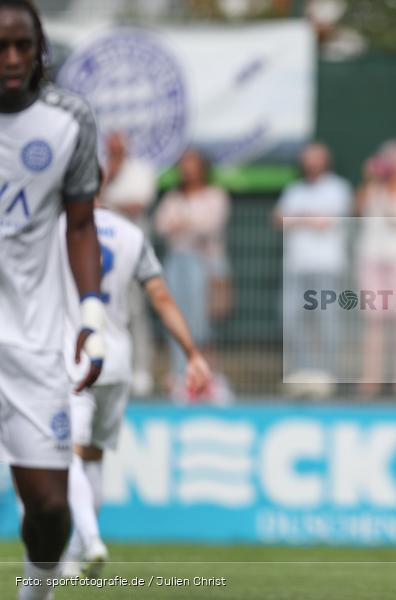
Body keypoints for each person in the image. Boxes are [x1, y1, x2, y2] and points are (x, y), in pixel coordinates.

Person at [0, 2, 105, 597]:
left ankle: (34, 591)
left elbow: (82, 224)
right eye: (0, 47)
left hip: (32, 341)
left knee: (49, 510)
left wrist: (89, 317)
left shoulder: (69, 120)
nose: (12, 59)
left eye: (23, 45)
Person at [58, 200, 212, 577]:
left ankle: (90, 540)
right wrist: (192, 352)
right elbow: (160, 296)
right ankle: (73, 559)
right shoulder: (131, 233)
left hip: (73, 353)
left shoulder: (56, 227)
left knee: (68, 455)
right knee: (93, 457)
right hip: (118, 357)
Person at [273, 142, 352, 388]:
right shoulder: (294, 189)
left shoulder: (338, 188)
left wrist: (297, 218)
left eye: (317, 158)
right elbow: (278, 219)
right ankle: (301, 373)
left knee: (327, 321)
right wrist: (309, 218)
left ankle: (327, 374)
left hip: (327, 266)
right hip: (296, 266)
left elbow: (326, 222)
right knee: (292, 320)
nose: (312, 164)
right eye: (308, 159)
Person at [154, 149, 231, 395]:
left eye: (193, 164)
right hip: (177, 262)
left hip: (205, 263)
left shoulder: (215, 195)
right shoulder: (173, 197)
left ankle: (205, 374)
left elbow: (209, 225)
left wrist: (183, 223)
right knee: (176, 317)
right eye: (184, 164)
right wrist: (188, 223)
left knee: (201, 322)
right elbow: (162, 224)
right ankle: (179, 375)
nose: (188, 169)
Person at [355, 139, 396, 396]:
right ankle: (370, 378)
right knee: (374, 321)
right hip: (372, 257)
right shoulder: (372, 190)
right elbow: (358, 209)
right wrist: (371, 180)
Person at [99, 131, 158, 395]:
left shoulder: (141, 170)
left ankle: (141, 370)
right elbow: (91, 200)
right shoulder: (99, 168)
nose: (114, 151)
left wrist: (108, 202)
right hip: (101, 250)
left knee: (136, 311)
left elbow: (137, 204)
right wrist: (108, 177)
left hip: (133, 249)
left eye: (118, 146)